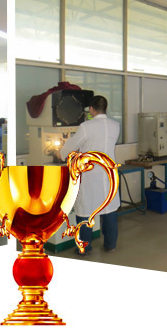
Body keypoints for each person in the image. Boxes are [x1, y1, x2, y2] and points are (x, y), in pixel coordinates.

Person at [59, 95, 120, 256]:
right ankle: (110, 245)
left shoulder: (86, 126)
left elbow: (73, 145)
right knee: (109, 209)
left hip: (91, 174)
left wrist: (61, 153)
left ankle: (84, 248)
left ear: (91, 109)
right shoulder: (115, 125)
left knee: (86, 211)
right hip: (109, 173)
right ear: (105, 108)